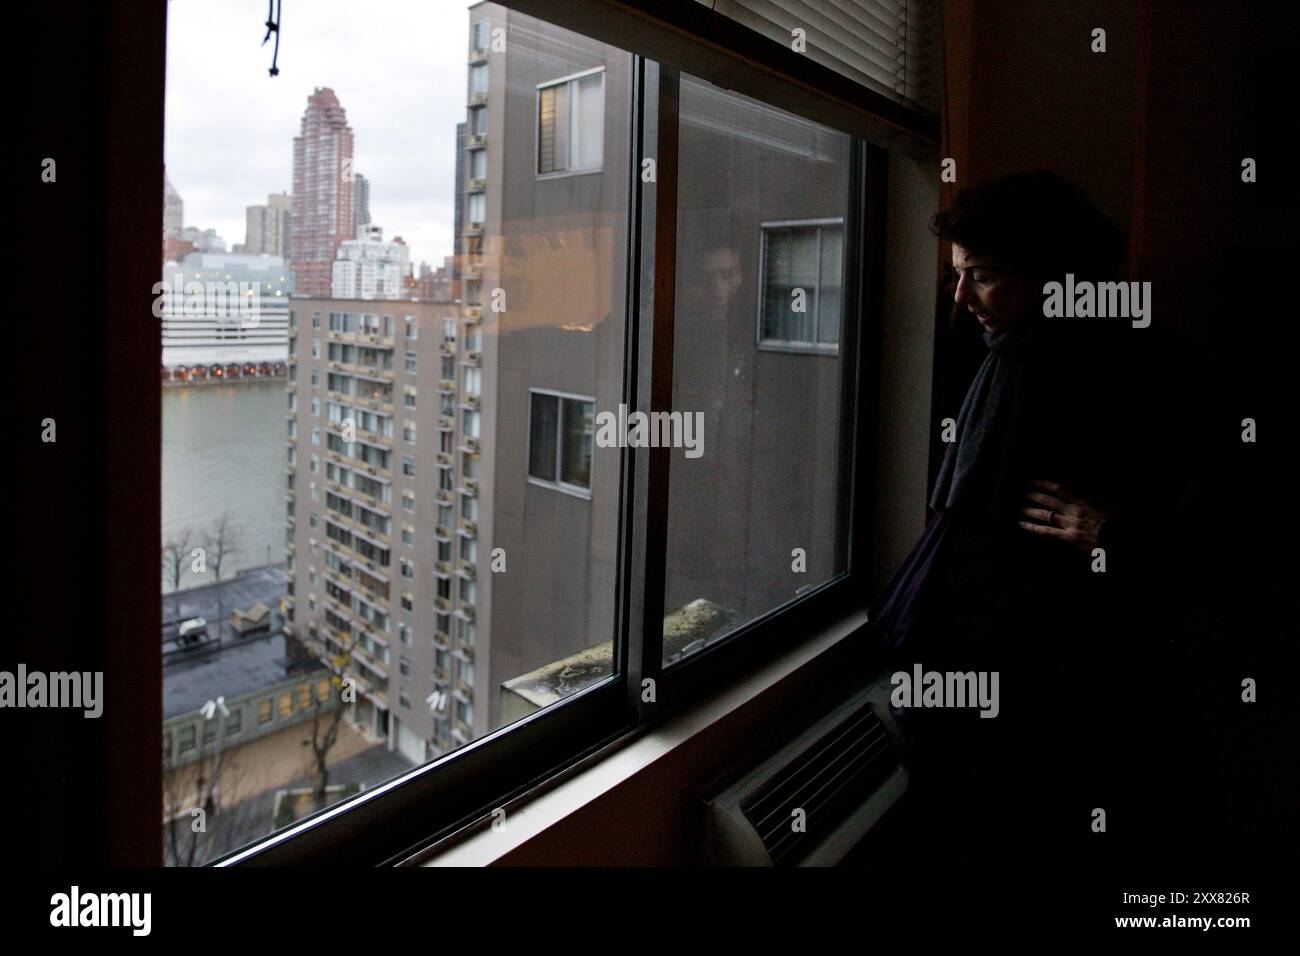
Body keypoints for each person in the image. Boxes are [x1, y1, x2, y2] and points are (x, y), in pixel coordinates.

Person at [871, 171, 1168, 870]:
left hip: (1046, 680)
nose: (960, 297)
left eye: (981, 276)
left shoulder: (1095, 364)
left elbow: (1218, 531)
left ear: (1052, 273)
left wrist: (1112, 535)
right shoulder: (1007, 352)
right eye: (957, 276)